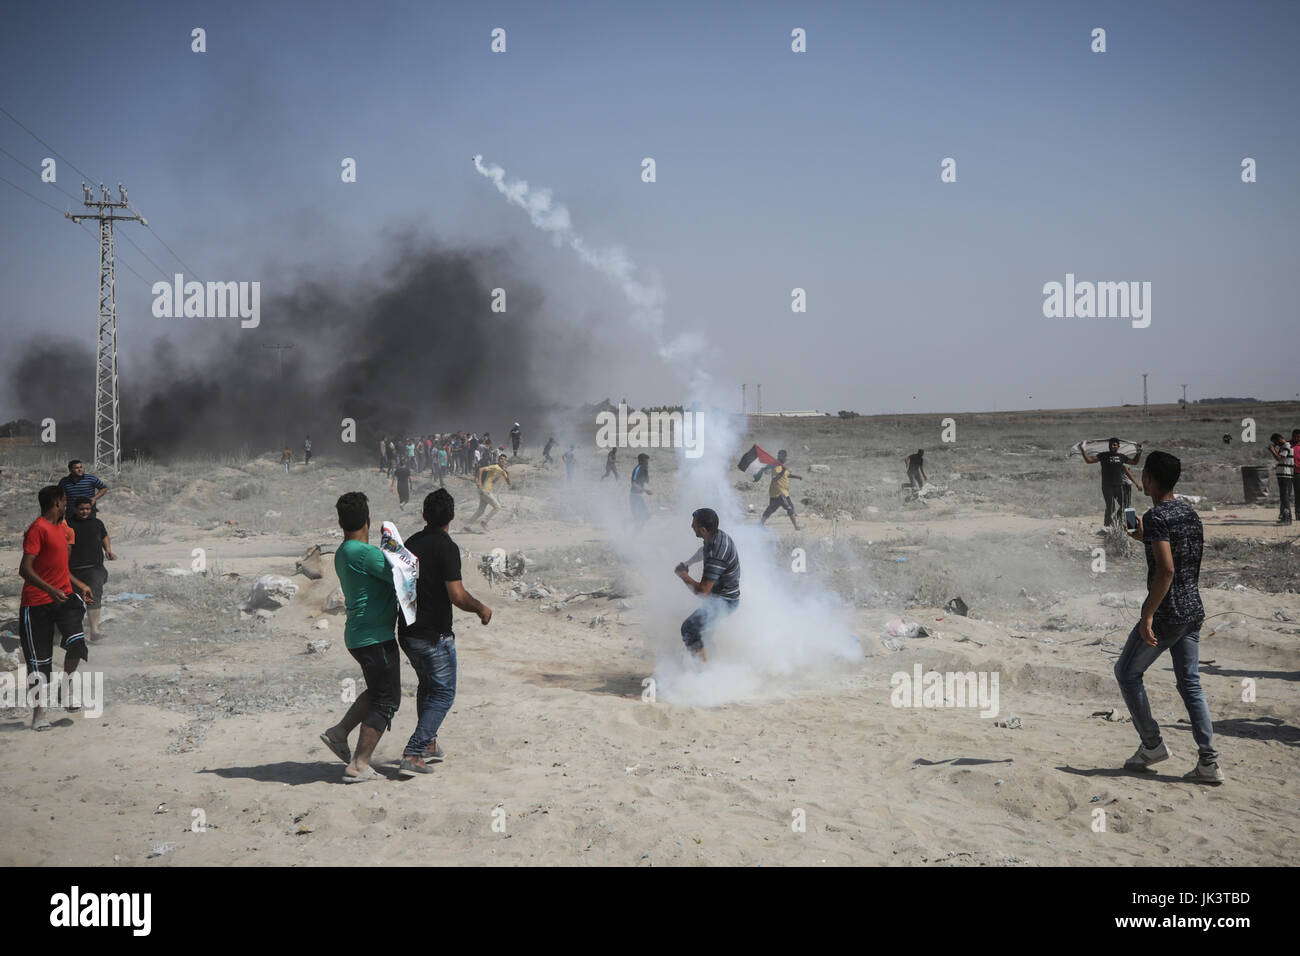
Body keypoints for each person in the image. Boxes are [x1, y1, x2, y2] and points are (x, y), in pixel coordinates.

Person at [1115, 451, 1222, 784]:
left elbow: (1167, 569)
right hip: (1193, 611)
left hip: (1168, 614)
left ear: (1149, 479)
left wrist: (1148, 614)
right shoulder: (1189, 513)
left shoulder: (1159, 516)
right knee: (1190, 685)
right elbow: (1153, 540)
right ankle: (1209, 761)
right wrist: (1136, 518)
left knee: (1127, 673)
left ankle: (1152, 745)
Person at [395, 489, 492, 774]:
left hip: (408, 632)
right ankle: (413, 753)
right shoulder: (446, 547)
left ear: (425, 515)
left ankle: (429, 744)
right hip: (433, 635)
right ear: (451, 516)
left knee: (428, 686)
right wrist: (481, 609)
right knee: (444, 694)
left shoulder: (410, 543)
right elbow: (457, 595)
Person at [319, 492, 400, 783]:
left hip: (359, 635)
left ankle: (339, 732)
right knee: (387, 699)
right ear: (368, 520)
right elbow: (402, 576)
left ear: (340, 522)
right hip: (374, 638)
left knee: (377, 690)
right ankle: (359, 764)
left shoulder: (344, 551)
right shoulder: (365, 554)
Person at [18, 486, 95, 730]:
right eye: (64, 500)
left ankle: (65, 687)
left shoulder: (63, 530)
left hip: (65, 599)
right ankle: (39, 714)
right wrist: (50, 589)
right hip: (37, 604)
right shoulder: (37, 529)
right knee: (39, 662)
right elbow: (25, 569)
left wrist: (80, 585)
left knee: (77, 644)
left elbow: (61, 568)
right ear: (57, 502)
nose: (66, 504)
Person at [674, 508, 741, 663]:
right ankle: (711, 662)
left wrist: (683, 575)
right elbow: (703, 550)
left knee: (689, 628)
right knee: (705, 633)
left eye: (694, 525)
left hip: (725, 602)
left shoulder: (716, 555)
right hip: (720, 596)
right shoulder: (716, 536)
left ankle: (702, 674)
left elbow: (703, 592)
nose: (691, 526)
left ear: (703, 530)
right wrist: (688, 563)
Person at [66, 497, 115, 643]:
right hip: (72, 570)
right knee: (72, 600)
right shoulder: (67, 525)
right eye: (81, 509)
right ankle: (72, 633)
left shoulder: (97, 523)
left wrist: (108, 550)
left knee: (93, 596)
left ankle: (94, 631)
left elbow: (104, 536)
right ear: (75, 509)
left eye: (87, 509)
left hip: (95, 568)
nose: (85, 511)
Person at [1080, 438, 1143, 530]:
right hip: (1107, 486)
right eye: (1110, 444)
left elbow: (1134, 463)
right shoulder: (1103, 455)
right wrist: (1083, 449)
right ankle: (1107, 527)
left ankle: (1132, 526)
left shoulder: (1122, 457)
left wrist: (1139, 452)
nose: (1112, 446)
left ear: (1118, 446)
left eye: (1114, 444)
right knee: (1111, 506)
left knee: (1127, 505)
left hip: (1122, 485)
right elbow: (1089, 460)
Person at [760, 449, 803, 529]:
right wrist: (783, 470)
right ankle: (796, 526)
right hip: (780, 493)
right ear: (781, 457)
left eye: (785, 456)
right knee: (790, 508)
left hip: (777, 493)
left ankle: (760, 525)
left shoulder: (781, 466)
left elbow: (786, 475)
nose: (785, 458)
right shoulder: (776, 466)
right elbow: (775, 479)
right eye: (783, 456)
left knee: (771, 509)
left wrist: (796, 477)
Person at [468, 454, 510, 530]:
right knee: (497, 507)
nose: (502, 460)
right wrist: (479, 481)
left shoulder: (502, 471)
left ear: (505, 461)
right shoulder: (495, 467)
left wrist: (507, 473)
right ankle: (484, 522)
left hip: (485, 491)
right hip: (485, 490)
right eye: (500, 459)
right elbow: (481, 469)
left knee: (480, 511)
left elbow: (508, 483)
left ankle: (467, 526)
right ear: (498, 460)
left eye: (503, 459)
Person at [1267, 433, 1293, 525]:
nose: (1276, 444)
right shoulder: (1284, 446)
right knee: (1284, 496)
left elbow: (1279, 458)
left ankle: (1287, 518)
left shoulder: (1286, 446)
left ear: (1279, 439)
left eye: (1276, 442)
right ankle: (1284, 517)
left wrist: (1272, 450)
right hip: (1284, 474)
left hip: (1285, 474)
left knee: (1285, 497)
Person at [630, 453, 652, 531]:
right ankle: (627, 527)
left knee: (645, 517)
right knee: (640, 519)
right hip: (634, 497)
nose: (647, 463)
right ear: (642, 461)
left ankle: (633, 535)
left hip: (639, 497)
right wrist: (645, 490)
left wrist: (647, 473)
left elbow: (646, 481)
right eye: (646, 461)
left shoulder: (643, 469)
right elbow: (633, 483)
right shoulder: (638, 469)